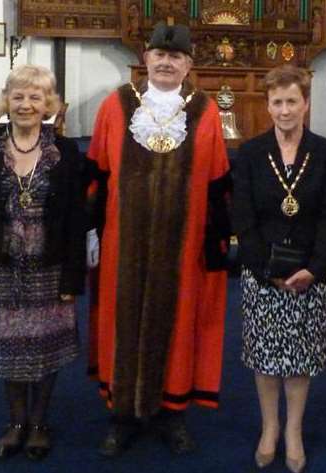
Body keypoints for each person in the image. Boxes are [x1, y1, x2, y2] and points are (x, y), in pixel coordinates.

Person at [86, 22, 231, 457]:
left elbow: (219, 181)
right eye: (159, 55)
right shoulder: (115, 105)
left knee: (181, 323)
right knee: (121, 321)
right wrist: (92, 228)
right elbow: (96, 172)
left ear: (189, 64)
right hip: (121, 245)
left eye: (176, 57)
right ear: (145, 59)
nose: (166, 62)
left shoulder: (205, 111)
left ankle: (173, 415)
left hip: (182, 248)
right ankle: (122, 417)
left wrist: (215, 243)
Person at [0, 64, 86, 461]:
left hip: (49, 267)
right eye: (18, 96)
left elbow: (75, 220)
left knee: (46, 346)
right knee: (9, 347)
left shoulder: (65, 151)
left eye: (35, 97)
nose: (26, 105)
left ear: (49, 104)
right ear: (6, 101)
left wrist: (72, 278)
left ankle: (39, 422)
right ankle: (16, 423)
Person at [232, 65, 326, 473]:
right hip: (263, 273)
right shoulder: (250, 153)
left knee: (299, 358)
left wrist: (315, 268)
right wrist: (265, 269)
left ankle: (293, 430)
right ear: (267, 106)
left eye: (292, 101)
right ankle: (270, 427)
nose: (284, 110)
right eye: (276, 102)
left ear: (306, 103)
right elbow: (242, 215)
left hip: (310, 275)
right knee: (265, 357)